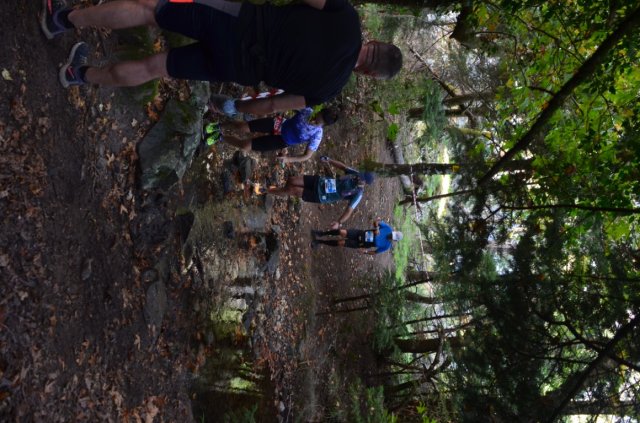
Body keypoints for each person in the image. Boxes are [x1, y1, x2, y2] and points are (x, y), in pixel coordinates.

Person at [41, 0, 403, 116]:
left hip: (237, 20)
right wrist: (238, 109)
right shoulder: (328, 90)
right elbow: (271, 106)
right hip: (239, 68)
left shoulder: (346, 18)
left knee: (152, 9)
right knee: (157, 67)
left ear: (375, 41)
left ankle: (63, 20)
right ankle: (79, 75)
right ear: (369, 74)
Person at [267, 156, 374, 229]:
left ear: (365, 182)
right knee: (292, 180)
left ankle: (269, 190)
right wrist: (329, 160)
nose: (360, 175)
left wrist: (339, 222)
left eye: (362, 176)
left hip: (321, 196)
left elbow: (349, 210)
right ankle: (279, 191)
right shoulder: (355, 174)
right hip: (320, 181)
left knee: (293, 190)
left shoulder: (358, 194)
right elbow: (343, 167)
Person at [204, 107, 339, 164]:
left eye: (319, 120)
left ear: (324, 124)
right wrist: (278, 108)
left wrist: (288, 159)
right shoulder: (308, 110)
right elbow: (289, 104)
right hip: (279, 124)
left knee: (245, 146)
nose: (315, 118)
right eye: (318, 115)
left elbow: (307, 155)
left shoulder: (317, 134)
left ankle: (220, 137)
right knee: (243, 127)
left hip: (281, 140)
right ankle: (219, 125)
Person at [312, 218, 403, 254]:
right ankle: (321, 233)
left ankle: (319, 242)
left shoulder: (386, 246)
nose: (391, 236)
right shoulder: (388, 228)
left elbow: (375, 252)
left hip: (360, 244)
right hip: (361, 233)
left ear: (394, 240)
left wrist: (365, 252)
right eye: (392, 234)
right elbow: (376, 221)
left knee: (340, 242)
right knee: (341, 232)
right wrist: (377, 228)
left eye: (392, 237)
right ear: (394, 232)